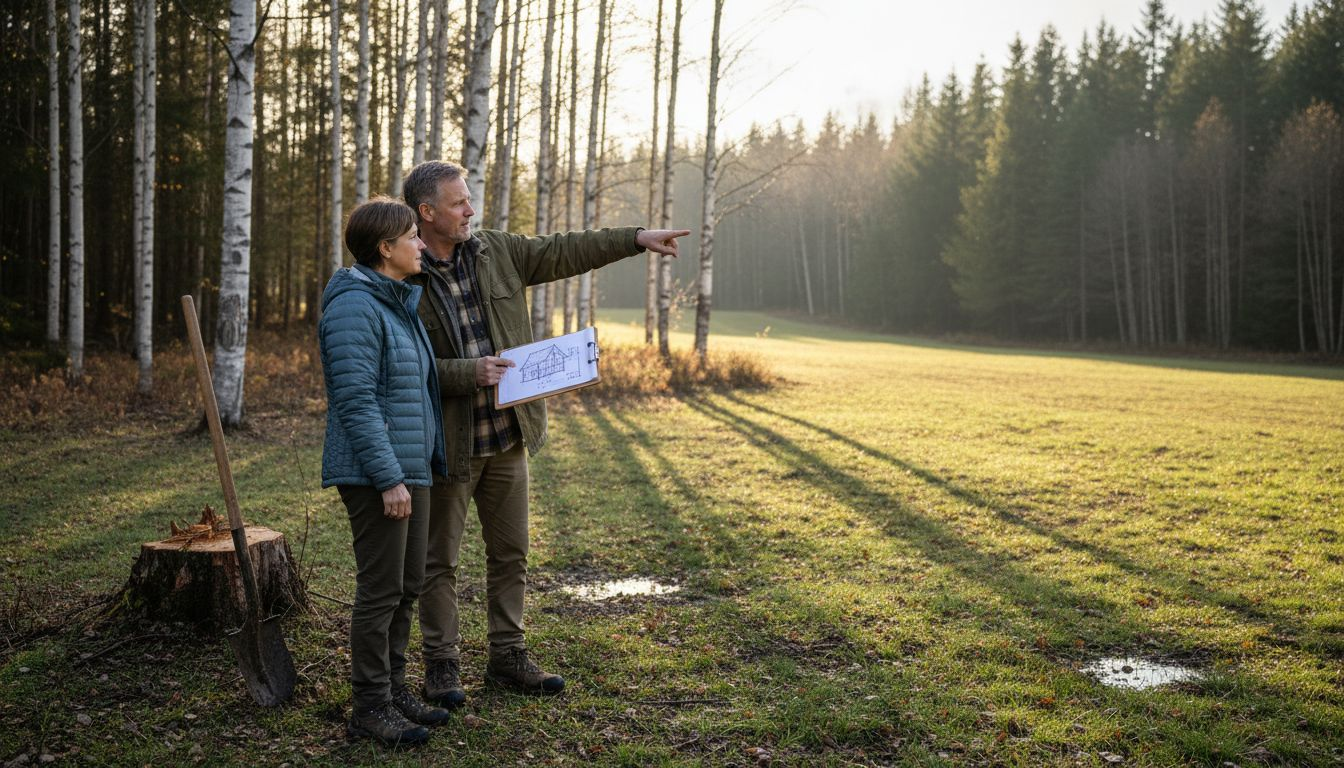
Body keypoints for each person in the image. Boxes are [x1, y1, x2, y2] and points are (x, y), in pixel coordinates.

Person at [401, 160, 689, 706]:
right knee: (439, 562)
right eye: (459, 202)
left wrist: (635, 238)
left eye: (469, 199)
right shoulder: (402, 272)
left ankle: (507, 654)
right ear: (427, 212)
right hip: (448, 446)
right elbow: (398, 366)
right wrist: (467, 372)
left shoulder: (497, 252)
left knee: (511, 553)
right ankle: (441, 664)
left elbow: (564, 249)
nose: (470, 209)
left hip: (508, 438)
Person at [318, 197, 453, 746]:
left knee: (408, 586)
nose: (422, 244)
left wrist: (416, 469)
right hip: (380, 474)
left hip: (411, 469)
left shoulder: (396, 302)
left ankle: (395, 690)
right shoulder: (355, 306)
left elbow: (413, 391)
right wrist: (388, 477)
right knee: (380, 591)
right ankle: (370, 705)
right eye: (412, 237)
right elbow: (354, 401)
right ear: (385, 247)